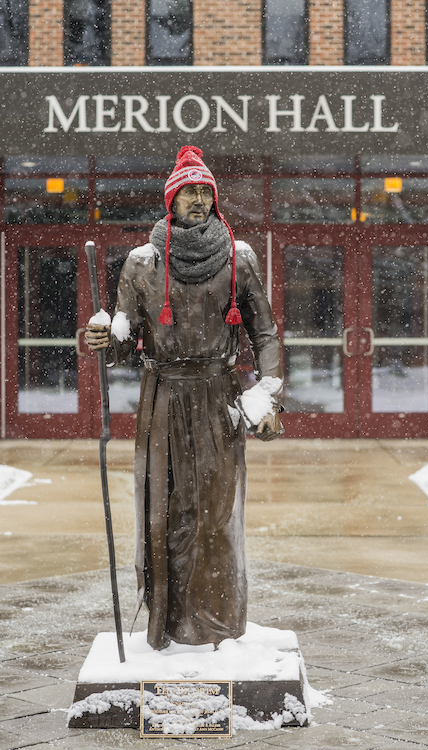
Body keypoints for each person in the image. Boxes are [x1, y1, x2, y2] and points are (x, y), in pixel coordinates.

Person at [86, 146, 283, 650]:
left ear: (213, 199)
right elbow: (125, 336)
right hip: (163, 400)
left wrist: (268, 395)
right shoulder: (140, 264)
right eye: (189, 191)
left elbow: (265, 333)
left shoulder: (239, 258)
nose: (197, 199)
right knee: (166, 512)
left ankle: (218, 626)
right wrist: (104, 333)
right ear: (171, 200)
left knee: (216, 512)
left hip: (218, 399)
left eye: (204, 192)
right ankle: (169, 625)